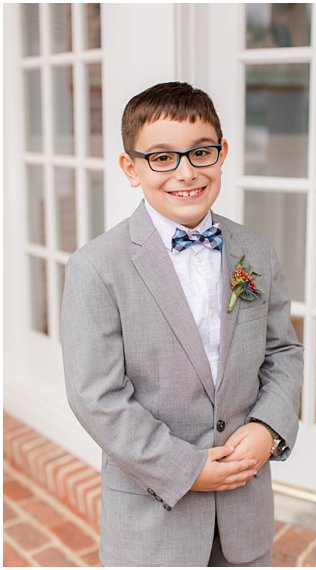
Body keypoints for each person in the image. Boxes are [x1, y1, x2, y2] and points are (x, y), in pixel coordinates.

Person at [62, 81, 302, 566]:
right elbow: (96, 396)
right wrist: (186, 468)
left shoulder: (253, 250)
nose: (185, 172)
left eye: (201, 153)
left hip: (244, 511)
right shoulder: (97, 266)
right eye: (162, 158)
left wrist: (268, 428)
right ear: (131, 168)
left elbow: (282, 352)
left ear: (223, 154)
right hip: (154, 523)